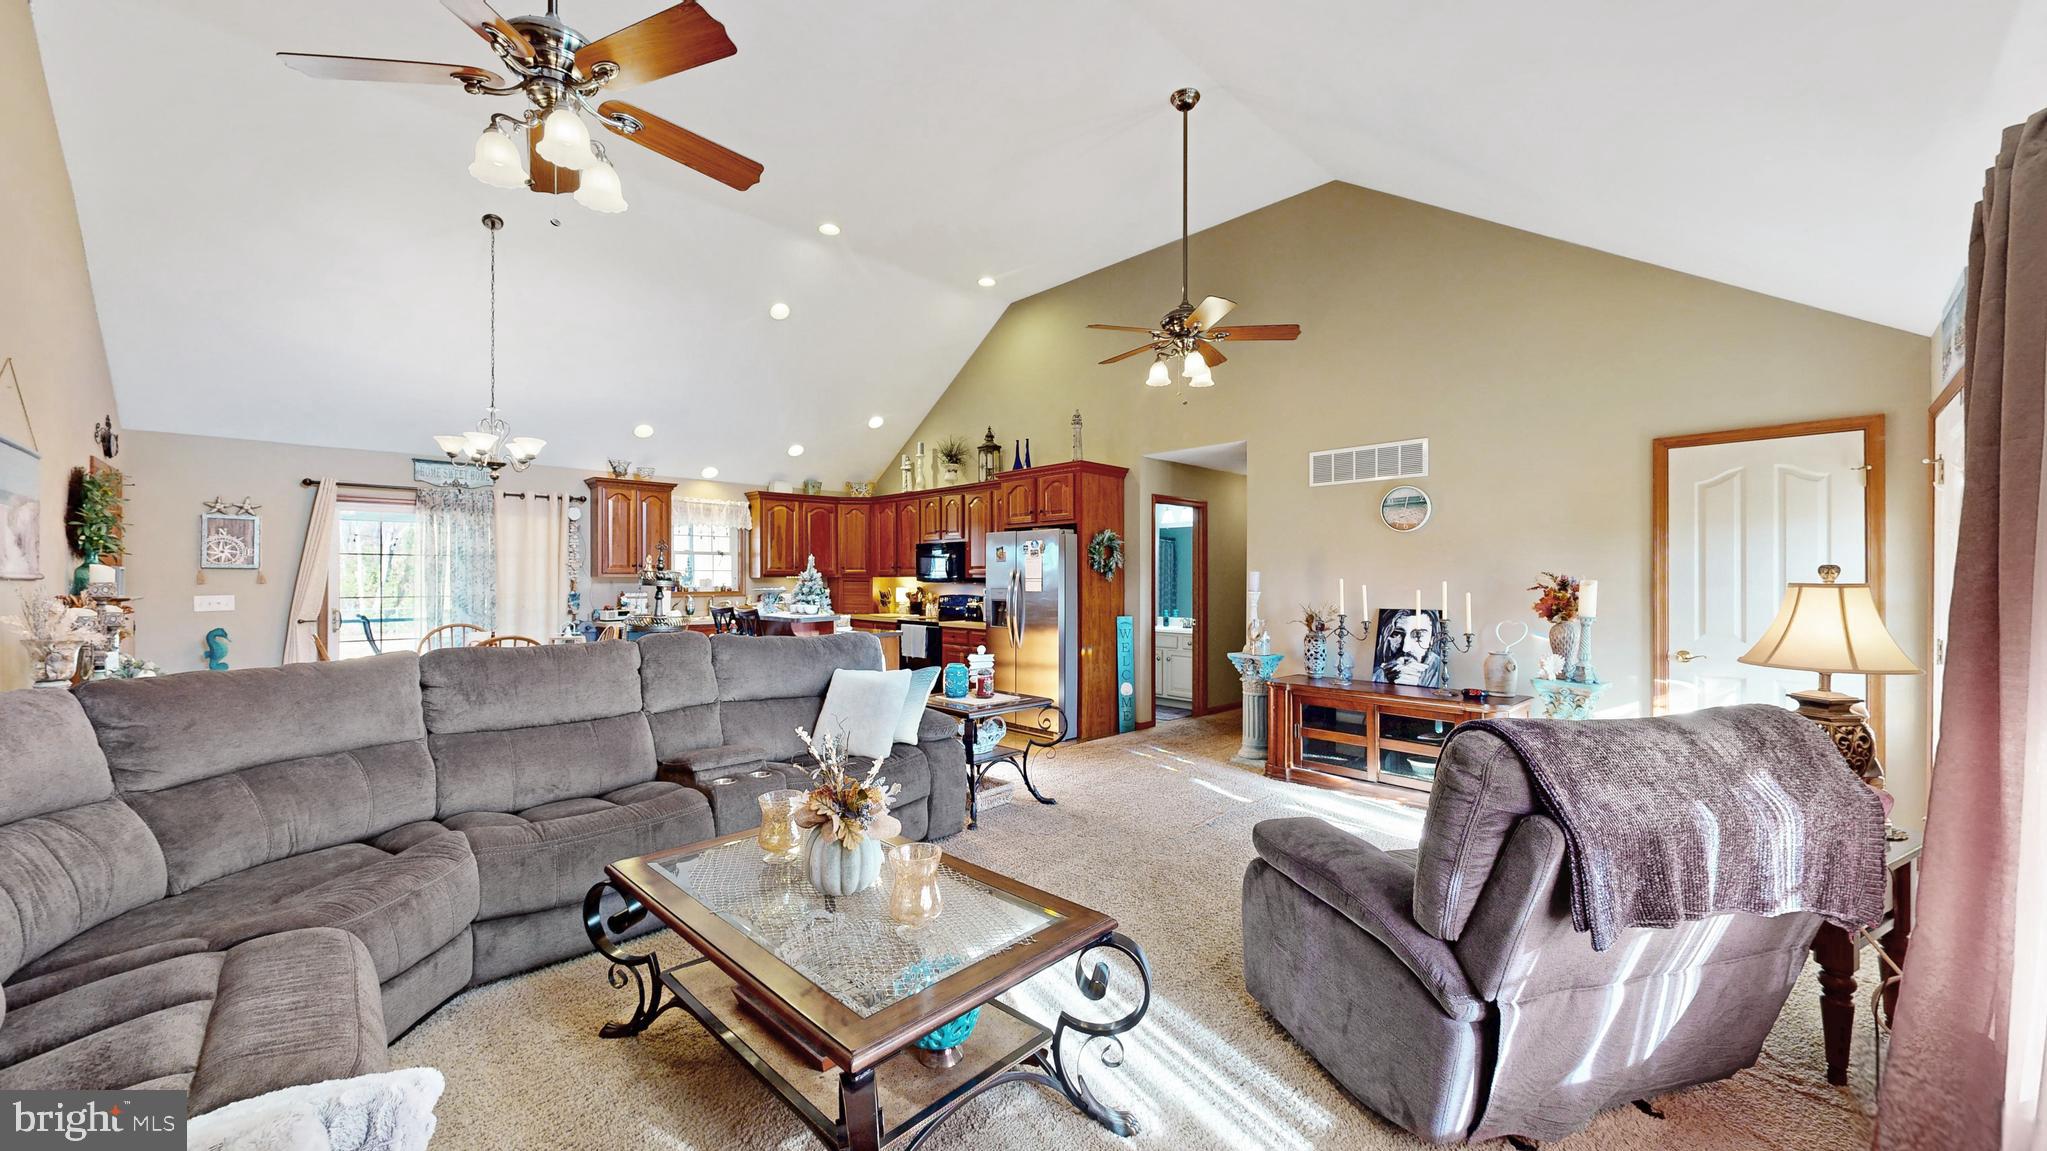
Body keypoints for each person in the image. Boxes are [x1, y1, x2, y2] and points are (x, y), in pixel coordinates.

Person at [1373, 609, 1447, 687]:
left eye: (1418, 635)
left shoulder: (1439, 670)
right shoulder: (1378, 673)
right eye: (1396, 634)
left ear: (1432, 640)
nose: (1405, 648)